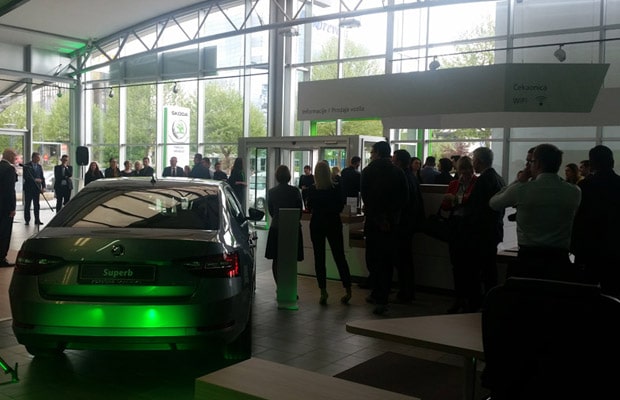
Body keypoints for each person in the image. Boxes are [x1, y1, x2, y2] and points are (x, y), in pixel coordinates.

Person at [490, 144, 581, 282]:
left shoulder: (522, 189)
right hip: (559, 261)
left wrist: (519, 181)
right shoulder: (574, 191)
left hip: (528, 259)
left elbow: (494, 203)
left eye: (530, 162)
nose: (528, 166)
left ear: (537, 163)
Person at [361, 141, 409, 315]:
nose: (371, 155)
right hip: (391, 224)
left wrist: (378, 218)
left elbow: (367, 198)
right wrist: (390, 218)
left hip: (374, 223)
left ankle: (377, 292)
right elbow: (404, 198)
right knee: (387, 261)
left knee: (373, 259)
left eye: (372, 152)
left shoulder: (368, 171)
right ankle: (383, 296)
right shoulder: (398, 172)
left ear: (377, 153)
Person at [460, 147, 505, 311]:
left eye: (474, 160)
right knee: (489, 270)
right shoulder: (499, 179)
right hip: (493, 231)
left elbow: (476, 209)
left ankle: (475, 304)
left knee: (475, 271)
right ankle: (491, 303)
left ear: (478, 161)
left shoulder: (483, 181)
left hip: (480, 234)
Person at [571, 145, 620, 297]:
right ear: (612, 162)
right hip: (615, 248)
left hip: (588, 248)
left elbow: (578, 217)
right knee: (613, 292)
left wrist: (574, 244)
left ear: (592, 164)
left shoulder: (585, 185)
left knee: (586, 293)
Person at [306, 161, 352, 305]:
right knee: (339, 256)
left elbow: (309, 207)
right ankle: (348, 289)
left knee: (319, 258)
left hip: (317, 224)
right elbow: (340, 206)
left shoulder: (312, 189)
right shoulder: (336, 188)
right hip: (333, 223)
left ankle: (323, 291)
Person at [441, 156, 477, 313]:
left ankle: (469, 299)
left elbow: (472, 202)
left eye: (467, 169)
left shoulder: (477, 184)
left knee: (469, 265)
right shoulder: (454, 184)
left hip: (469, 227)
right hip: (456, 226)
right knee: (456, 264)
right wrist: (454, 200)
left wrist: (455, 199)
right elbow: (445, 206)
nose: (464, 173)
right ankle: (459, 298)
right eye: (462, 170)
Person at [392, 149, 424, 304]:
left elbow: (400, 202)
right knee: (406, 259)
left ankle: (405, 292)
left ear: (398, 161)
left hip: (402, 224)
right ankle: (407, 291)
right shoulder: (412, 177)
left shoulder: (401, 176)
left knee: (402, 259)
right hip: (410, 224)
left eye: (394, 159)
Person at [265, 165, 304, 285]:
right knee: (290, 258)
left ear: (277, 176)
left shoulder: (272, 192)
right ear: (289, 176)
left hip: (276, 227)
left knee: (276, 259)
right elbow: (299, 211)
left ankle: (279, 285)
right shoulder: (295, 191)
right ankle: (289, 285)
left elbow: (271, 211)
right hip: (292, 227)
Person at [0, 148, 17, 267]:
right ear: (10, 156)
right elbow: (10, 190)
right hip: (5, 207)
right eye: (14, 157)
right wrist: (12, 207)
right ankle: (1, 258)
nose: (15, 159)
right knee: (5, 233)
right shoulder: (9, 169)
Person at [23, 152, 46, 226]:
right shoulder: (27, 165)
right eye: (37, 157)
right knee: (28, 204)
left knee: (36, 205)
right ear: (33, 157)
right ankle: (27, 220)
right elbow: (26, 176)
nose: (39, 159)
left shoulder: (39, 166)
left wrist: (43, 187)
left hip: (37, 188)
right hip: (29, 188)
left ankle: (37, 220)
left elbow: (42, 177)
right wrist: (35, 180)